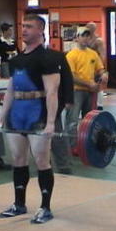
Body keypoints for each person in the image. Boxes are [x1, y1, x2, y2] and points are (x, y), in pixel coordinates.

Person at [0, 14, 60, 224]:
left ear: (41, 29)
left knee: (41, 161)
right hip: (17, 115)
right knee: (18, 160)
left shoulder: (47, 58)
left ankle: (45, 208)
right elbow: (10, 91)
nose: (24, 30)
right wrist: (1, 118)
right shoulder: (16, 60)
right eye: (23, 26)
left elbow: (52, 92)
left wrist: (50, 122)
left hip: (36, 113)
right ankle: (19, 204)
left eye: (29, 26)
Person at [65, 27, 108, 149]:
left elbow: (100, 69)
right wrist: (89, 84)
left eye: (87, 36)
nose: (85, 38)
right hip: (75, 91)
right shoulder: (71, 55)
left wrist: (103, 74)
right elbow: (72, 77)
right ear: (77, 38)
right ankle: (71, 147)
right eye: (82, 35)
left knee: (88, 121)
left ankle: (86, 146)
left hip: (90, 92)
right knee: (72, 120)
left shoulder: (93, 54)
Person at [46, 46, 74, 175]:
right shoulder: (26, 57)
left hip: (55, 102)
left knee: (57, 135)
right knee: (37, 138)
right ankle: (45, 166)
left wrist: (69, 100)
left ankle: (63, 166)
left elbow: (67, 78)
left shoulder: (57, 56)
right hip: (35, 105)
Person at [86, 21, 108, 110]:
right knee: (88, 86)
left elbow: (103, 55)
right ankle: (88, 106)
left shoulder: (98, 41)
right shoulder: (86, 39)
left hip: (95, 67)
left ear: (93, 29)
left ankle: (99, 106)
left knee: (98, 87)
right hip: (86, 67)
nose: (87, 29)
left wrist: (101, 69)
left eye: (89, 27)